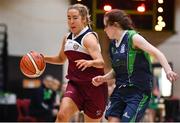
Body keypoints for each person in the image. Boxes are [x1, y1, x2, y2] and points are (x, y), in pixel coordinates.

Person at [92, 9, 179, 122]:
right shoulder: (113, 45)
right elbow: (117, 70)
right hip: (120, 90)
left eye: (106, 26)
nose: (104, 29)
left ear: (115, 25)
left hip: (138, 91)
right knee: (112, 120)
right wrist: (104, 78)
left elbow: (157, 52)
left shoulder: (133, 38)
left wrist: (168, 70)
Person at [44, 4, 108, 122]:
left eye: (75, 18)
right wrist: (43, 58)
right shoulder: (67, 38)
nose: (71, 21)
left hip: (94, 88)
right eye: (69, 18)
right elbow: (60, 59)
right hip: (75, 86)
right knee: (62, 115)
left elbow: (101, 63)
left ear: (83, 19)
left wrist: (89, 63)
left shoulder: (89, 38)